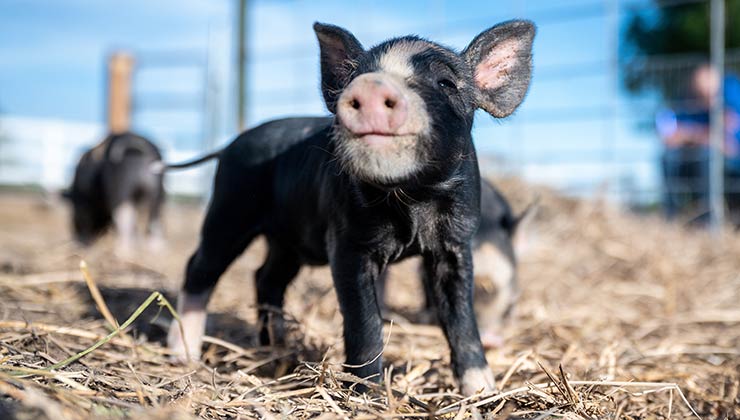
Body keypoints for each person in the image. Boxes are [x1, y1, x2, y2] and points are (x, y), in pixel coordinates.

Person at [657, 64, 740, 222]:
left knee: (706, 155)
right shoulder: (686, 99)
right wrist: (706, 135)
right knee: (668, 157)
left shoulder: (732, 90)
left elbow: (729, 142)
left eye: (710, 96)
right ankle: (672, 219)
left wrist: (690, 134)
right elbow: (669, 137)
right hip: (693, 157)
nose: (706, 102)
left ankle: (708, 221)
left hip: (731, 161)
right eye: (700, 96)